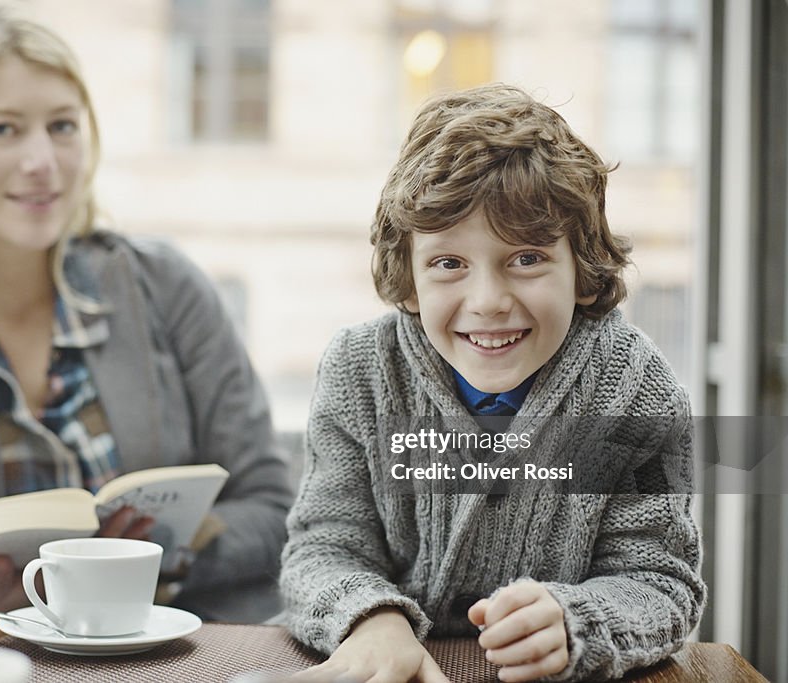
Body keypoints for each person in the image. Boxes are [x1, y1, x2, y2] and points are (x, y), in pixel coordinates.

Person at [0, 0, 291, 622]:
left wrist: (160, 553)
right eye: (3, 129)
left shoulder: (164, 285)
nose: (43, 162)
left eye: (62, 126)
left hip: (202, 642)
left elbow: (274, 508)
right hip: (23, 653)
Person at [279, 84, 705, 682]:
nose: (488, 302)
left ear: (581, 270)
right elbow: (323, 546)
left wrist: (576, 619)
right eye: (449, 264)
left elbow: (660, 582)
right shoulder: (359, 369)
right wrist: (370, 620)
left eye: (526, 257)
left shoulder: (637, 390)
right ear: (408, 280)